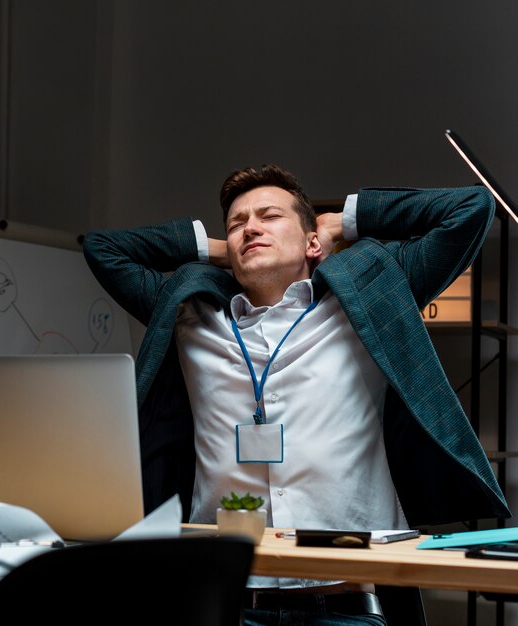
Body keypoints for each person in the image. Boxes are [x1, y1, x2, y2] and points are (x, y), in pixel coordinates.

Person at [83, 164, 510, 626]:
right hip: (223, 604)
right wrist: (215, 248)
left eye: (269, 216)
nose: (250, 227)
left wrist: (340, 221)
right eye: (237, 223)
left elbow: (472, 209)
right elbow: (103, 249)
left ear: (310, 242)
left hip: (345, 604)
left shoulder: (368, 297)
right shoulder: (190, 315)